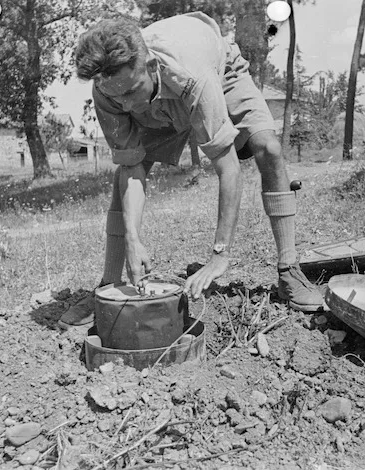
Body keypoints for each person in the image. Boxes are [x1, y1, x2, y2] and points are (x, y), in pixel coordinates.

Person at [58, 12, 322, 327]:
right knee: (129, 167)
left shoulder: (193, 74)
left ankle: (289, 270)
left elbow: (228, 168)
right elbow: (130, 167)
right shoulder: (110, 89)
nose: (124, 106)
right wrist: (132, 237)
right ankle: (109, 286)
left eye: (129, 92)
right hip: (156, 98)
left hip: (219, 74)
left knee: (269, 147)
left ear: (151, 67)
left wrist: (219, 255)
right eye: (115, 97)